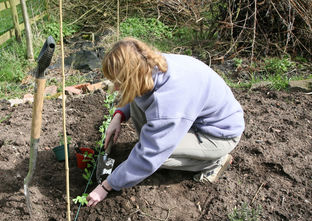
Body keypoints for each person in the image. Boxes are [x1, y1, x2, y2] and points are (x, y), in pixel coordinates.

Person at [87, 37, 245, 207]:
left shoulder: (169, 102)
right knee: (140, 111)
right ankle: (158, 141)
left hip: (217, 135)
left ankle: (214, 162)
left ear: (133, 74)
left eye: (120, 82)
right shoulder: (150, 63)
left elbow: (149, 157)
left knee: (159, 158)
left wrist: (107, 185)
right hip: (191, 117)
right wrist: (119, 115)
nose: (116, 87)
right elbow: (135, 90)